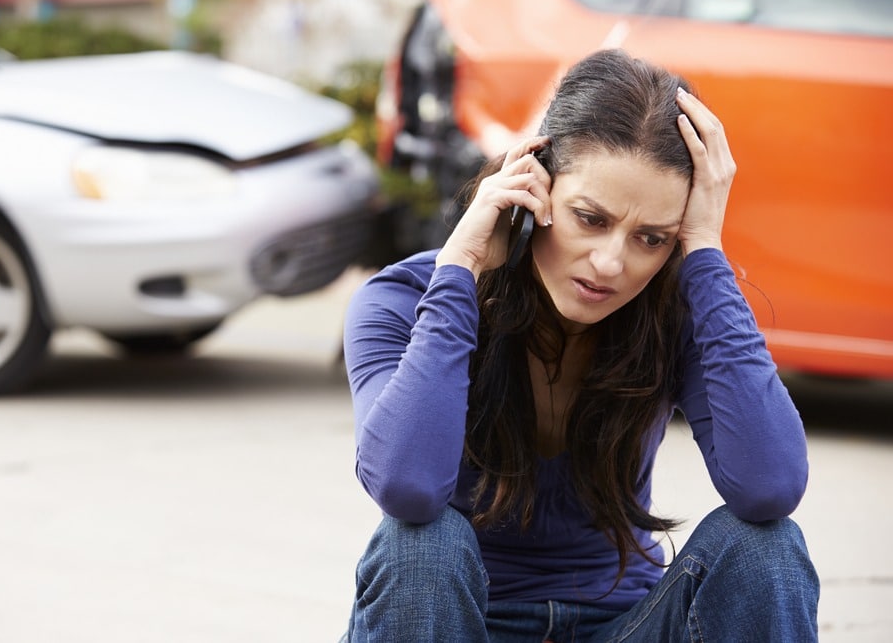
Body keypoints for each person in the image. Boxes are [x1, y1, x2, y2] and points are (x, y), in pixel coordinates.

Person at [339, 48, 819, 642]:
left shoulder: (678, 308)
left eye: (651, 237)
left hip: (625, 624)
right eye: (590, 218)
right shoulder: (400, 301)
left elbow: (770, 487)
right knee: (418, 545)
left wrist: (703, 250)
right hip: (464, 624)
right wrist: (462, 268)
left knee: (765, 546)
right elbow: (406, 488)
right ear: (533, 185)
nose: (612, 263)